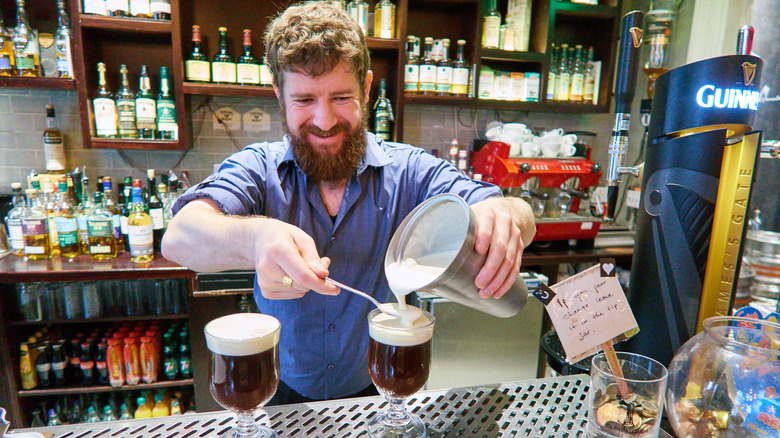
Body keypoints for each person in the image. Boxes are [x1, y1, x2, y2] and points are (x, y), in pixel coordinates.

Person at [161, 2, 535, 405]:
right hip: (280, 388)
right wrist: (255, 238)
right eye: (304, 100)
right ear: (278, 94)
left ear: (367, 88)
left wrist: (503, 215)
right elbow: (178, 239)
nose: (324, 121)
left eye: (341, 97)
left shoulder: (409, 170)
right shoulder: (258, 167)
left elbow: (518, 214)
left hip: (377, 389)